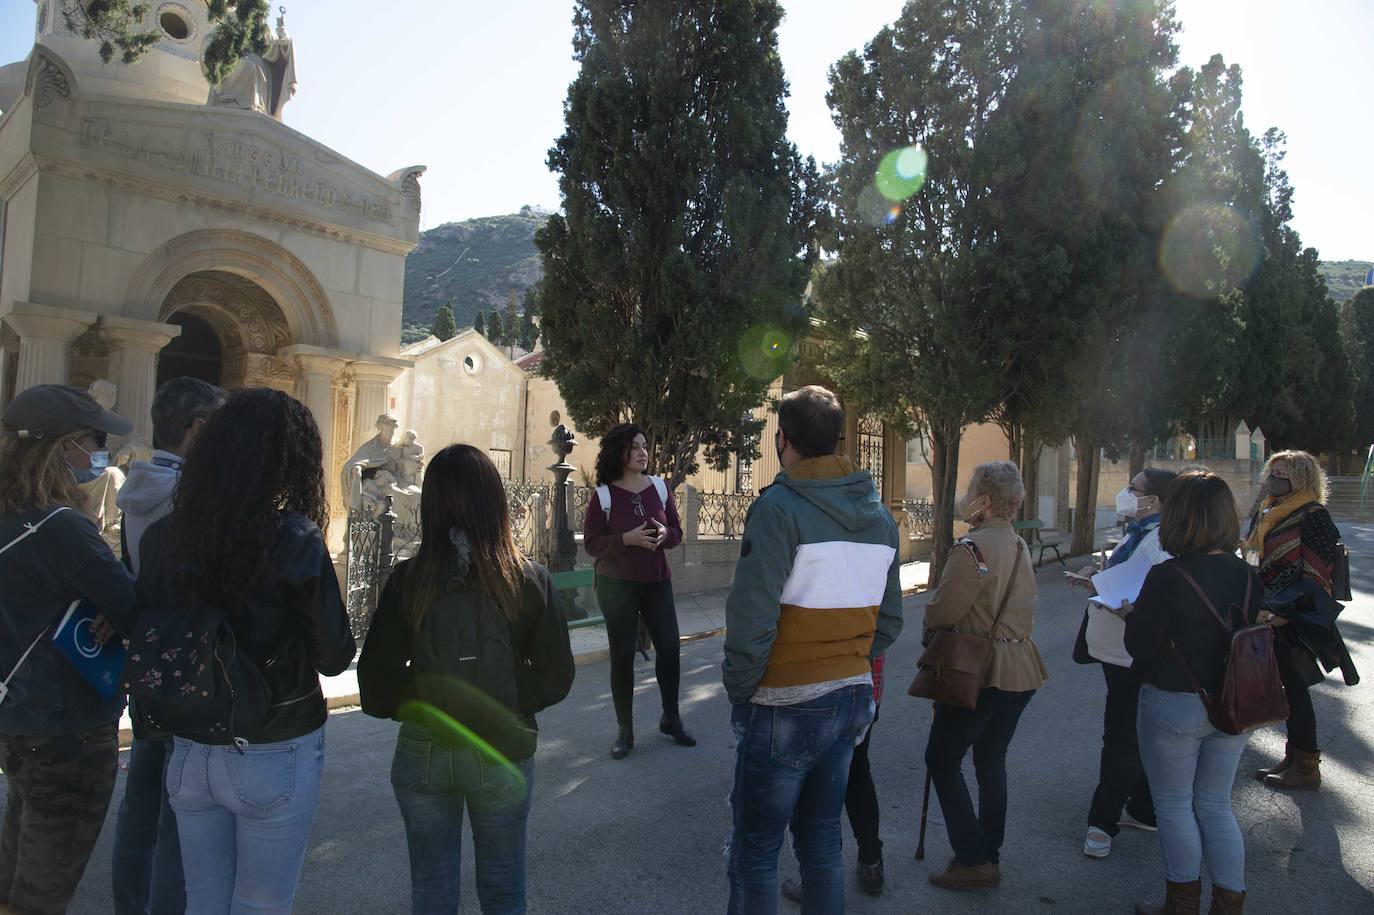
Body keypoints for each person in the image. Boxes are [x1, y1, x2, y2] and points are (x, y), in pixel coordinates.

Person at [136, 388, 355, 914]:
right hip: (273, 744)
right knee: (262, 905)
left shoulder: (163, 537)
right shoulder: (293, 538)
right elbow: (335, 656)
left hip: (189, 743)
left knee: (204, 904)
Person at [358, 444, 575, 914]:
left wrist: (425, 699)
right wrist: (506, 699)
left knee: (432, 890)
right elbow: (557, 677)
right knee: (503, 888)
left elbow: (375, 687)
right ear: (494, 502)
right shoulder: (529, 580)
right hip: (501, 746)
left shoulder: (407, 581)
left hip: (424, 747)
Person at [722, 385, 903, 914]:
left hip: (783, 701)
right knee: (822, 843)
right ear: (839, 440)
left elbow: (752, 618)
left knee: (756, 854)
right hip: (851, 698)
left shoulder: (777, 509)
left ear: (783, 440)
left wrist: (740, 689)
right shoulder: (881, 517)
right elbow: (889, 621)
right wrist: (845, 655)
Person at [0, 384, 137, 915]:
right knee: (43, 886)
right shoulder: (61, 528)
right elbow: (131, 605)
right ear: (63, 448)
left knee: (16, 864)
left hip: (17, 717)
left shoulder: (12, 519)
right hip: (68, 726)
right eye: (94, 440)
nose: (102, 453)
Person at [1124, 471, 1263, 915]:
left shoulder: (1168, 576)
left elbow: (1139, 647)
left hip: (1174, 701)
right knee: (1217, 806)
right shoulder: (1248, 576)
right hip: (1235, 702)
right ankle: (1228, 904)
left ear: (1179, 516)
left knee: (1174, 806)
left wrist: (1131, 616)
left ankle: (1181, 905)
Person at [111, 376, 224, 915]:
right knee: (179, 806)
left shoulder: (139, 483)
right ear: (199, 429)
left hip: (148, 653)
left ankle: (130, 903)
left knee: (142, 798)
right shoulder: (188, 498)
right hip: (188, 658)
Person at [921, 461, 1047, 891]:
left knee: (941, 759)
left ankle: (975, 859)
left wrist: (932, 614)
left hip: (980, 672)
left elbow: (942, 611)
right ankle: (987, 851)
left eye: (972, 488)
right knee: (991, 761)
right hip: (1020, 669)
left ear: (986, 500)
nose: (966, 496)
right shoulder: (1019, 545)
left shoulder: (972, 548)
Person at [1073, 468, 1177, 858]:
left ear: (1155, 500)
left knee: (1121, 735)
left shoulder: (1161, 540)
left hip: (1132, 650)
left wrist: (1109, 590)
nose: (1126, 493)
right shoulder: (1138, 534)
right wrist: (1097, 578)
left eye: (1133, 489)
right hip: (1119, 648)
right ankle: (1144, 806)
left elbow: (1144, 594)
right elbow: (1126, 578)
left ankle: (1102, 824)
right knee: (1138, 729)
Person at [1245, 451, 1357, 791]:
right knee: (1286, 687)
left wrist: (1284, 611)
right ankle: (1294, 756)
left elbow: (1317, 573)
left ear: (1302, 479)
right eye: (1273, 471)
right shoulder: (1267, 510)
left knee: (1294, 687)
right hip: (1264, 609)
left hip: (1291, 615)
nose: (1274, 478)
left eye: (1283, 473)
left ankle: (1307, 765)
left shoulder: (1314, 515)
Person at [582, 423, 694, 759]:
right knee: (622, 656)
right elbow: (591, 544)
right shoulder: (603, 496)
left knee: (670, 649)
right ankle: (625, 730)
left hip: (657, 581)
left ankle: (670, 718)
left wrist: (664, 534)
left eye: (645, 446)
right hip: (617, 587)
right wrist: (625, 540)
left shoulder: (659, 488)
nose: (643, 452)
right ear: (620, 451)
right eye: (635, 447)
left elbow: (676, 532)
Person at [780, 654, 889, 904]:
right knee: (857, 770)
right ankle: (871, 863)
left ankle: (820, 881)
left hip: (823, 686)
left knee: (819, 782)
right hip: (864, 682)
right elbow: (888, 624)